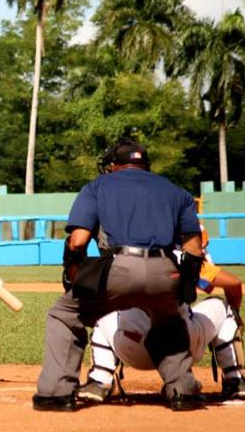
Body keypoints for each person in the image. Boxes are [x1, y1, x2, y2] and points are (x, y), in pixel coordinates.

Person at [33, 138, 206, 412]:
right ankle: (183, 391)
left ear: (113, 165)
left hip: (119, 266)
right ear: (146, 165)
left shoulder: (98, 186)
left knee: (63, 315)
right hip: (164, 270)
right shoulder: (176, 192)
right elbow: (194, 246)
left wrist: (72, 271)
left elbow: (78, 241)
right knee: (168, 322)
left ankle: (56, 393)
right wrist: (184, 284)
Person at [80, 227, 245, 403]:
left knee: (105, 311)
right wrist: (237, 315)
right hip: (182, 348)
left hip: (131, 348)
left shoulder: (119, 258)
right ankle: (235, 379)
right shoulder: (184, 258)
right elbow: (234, 284)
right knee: (223, 307)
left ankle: (100, 379)